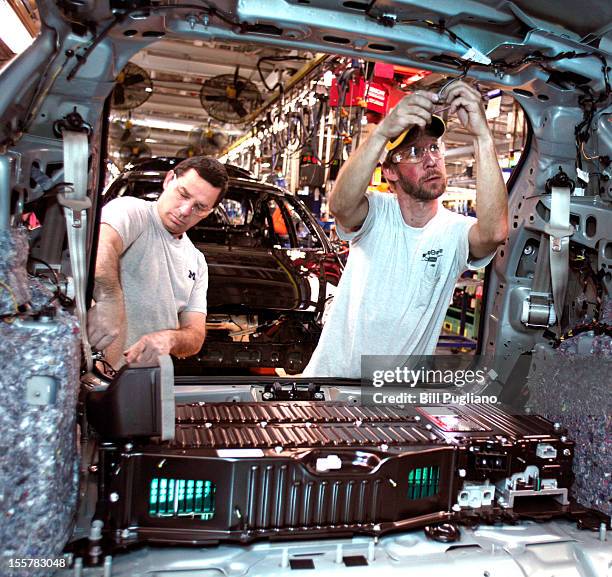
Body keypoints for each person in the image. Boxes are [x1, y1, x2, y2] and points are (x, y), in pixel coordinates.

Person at [303, 81, 508, 378]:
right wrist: (382, 132)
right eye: (414, 152)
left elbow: (493, 234)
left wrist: (483, 139)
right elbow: (342, 206)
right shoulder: (376, 212)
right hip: (333, 382)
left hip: (395, 397)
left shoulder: (453, 231)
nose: (430, 160)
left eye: (434, 148)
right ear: (389, 171)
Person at [87, 156, 229, 368]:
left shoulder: (197, 262)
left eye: (199, 207)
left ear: (209, 212)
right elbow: (101, 243)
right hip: (93, 372)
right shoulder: (132, 212)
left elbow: (195, 335)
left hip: (142, 382)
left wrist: (171, 339)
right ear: (169, 179)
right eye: (183, 194)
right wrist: (109, 300)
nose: (184, 211)